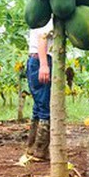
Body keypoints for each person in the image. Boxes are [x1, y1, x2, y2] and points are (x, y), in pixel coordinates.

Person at [25, 20, 53, 160]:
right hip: (40, 60)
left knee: (38, 106)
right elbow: (43, 38)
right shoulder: (48, 18)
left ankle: (32, 147)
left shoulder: (40, 15)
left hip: (35, 60)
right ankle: (41, 151)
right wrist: (44, 65)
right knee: (44, 106)